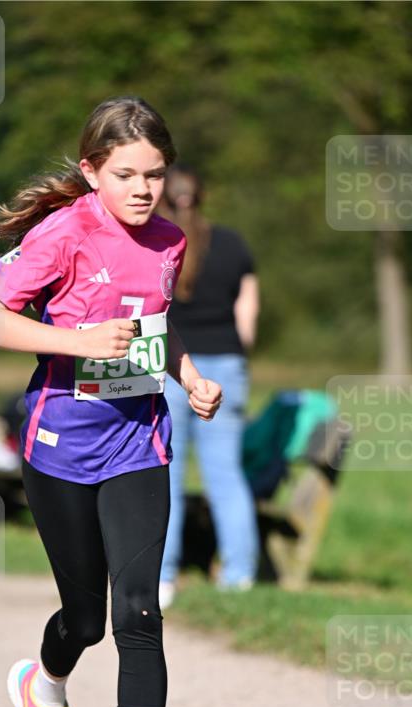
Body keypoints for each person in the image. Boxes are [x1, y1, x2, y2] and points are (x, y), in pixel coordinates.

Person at [0, 96, 222, 707]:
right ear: (91, 171)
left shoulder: (170, 241)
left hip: (138, 441)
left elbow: (155, 320)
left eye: (155, 173)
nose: (144, 189)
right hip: (59, 443)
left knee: (137, 612)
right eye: (126, 174)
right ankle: (43, 689)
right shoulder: (66, 230)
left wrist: (185, 374)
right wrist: (75, 340)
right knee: (82, 622)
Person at [157, 165, 260, 608]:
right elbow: (248, 322)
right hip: (225, 367)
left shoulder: (155, 242)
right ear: (203, 195)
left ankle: (162, 576)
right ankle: (239, 575)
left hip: (171, 366)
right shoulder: (234, 244)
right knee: (226, 475)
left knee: (165, 472)